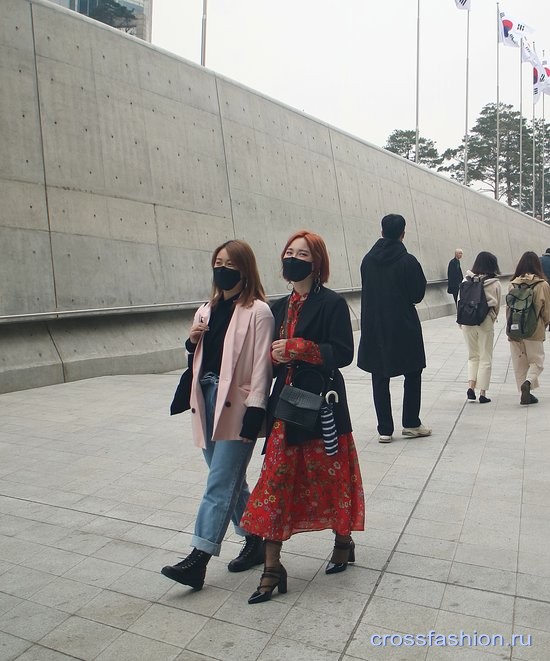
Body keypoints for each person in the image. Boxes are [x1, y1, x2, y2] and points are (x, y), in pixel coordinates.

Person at [240, 230, 365, 604]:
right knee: (276, 479)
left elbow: (343, 353)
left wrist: (301, 348)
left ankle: (343, 541)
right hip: (288, 407)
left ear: (317, 263)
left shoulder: (332, 303)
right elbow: (264, 354)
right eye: (289, 253)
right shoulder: (277, 307)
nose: (293, 259)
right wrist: (274, 357)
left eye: (302, 254)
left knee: (333, 476)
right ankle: (272, 567)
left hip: (323, 405)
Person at [161, 240, 274, 591]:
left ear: (245, 270)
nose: (222, 269)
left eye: (229, 264)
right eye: (217, 263)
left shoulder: (259, 312)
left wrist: (256, 412)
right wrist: (191, 344)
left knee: (219, 482)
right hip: (206, 399)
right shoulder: (205, 311)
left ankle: (199, 556)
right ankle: (254, 539)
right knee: (227, 478)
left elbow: (261, 368)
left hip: (237, 406)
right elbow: (198, 364)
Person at [357, 213, 431, 443]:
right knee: (413, 371)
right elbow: (417, 295)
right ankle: (411, 423)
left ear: (381, 232)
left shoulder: (367, 260)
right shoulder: (408, 261)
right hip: (403, 325)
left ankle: (385, 429)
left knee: (379, 375)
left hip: (375, 324)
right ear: (402, 233)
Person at [507, 251, 550, 405]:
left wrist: (510, 328)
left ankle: (525, 392)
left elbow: (508, 309)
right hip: (534, 328)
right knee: (537, 361)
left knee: (520, 363)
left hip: (515, 328)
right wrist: (544, 324)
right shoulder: (542, 284)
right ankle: (529, 383)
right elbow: (547, 311)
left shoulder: (513, 283)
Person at [460, 251, 501, 404]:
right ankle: (482, 393)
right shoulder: (494, 283)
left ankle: (471, 386)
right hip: (485, 321)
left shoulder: (466, 280)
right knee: (485, 356)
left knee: (472, 355)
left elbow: (460, 300)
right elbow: (497, 304)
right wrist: (492, 317)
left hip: (467, 322)